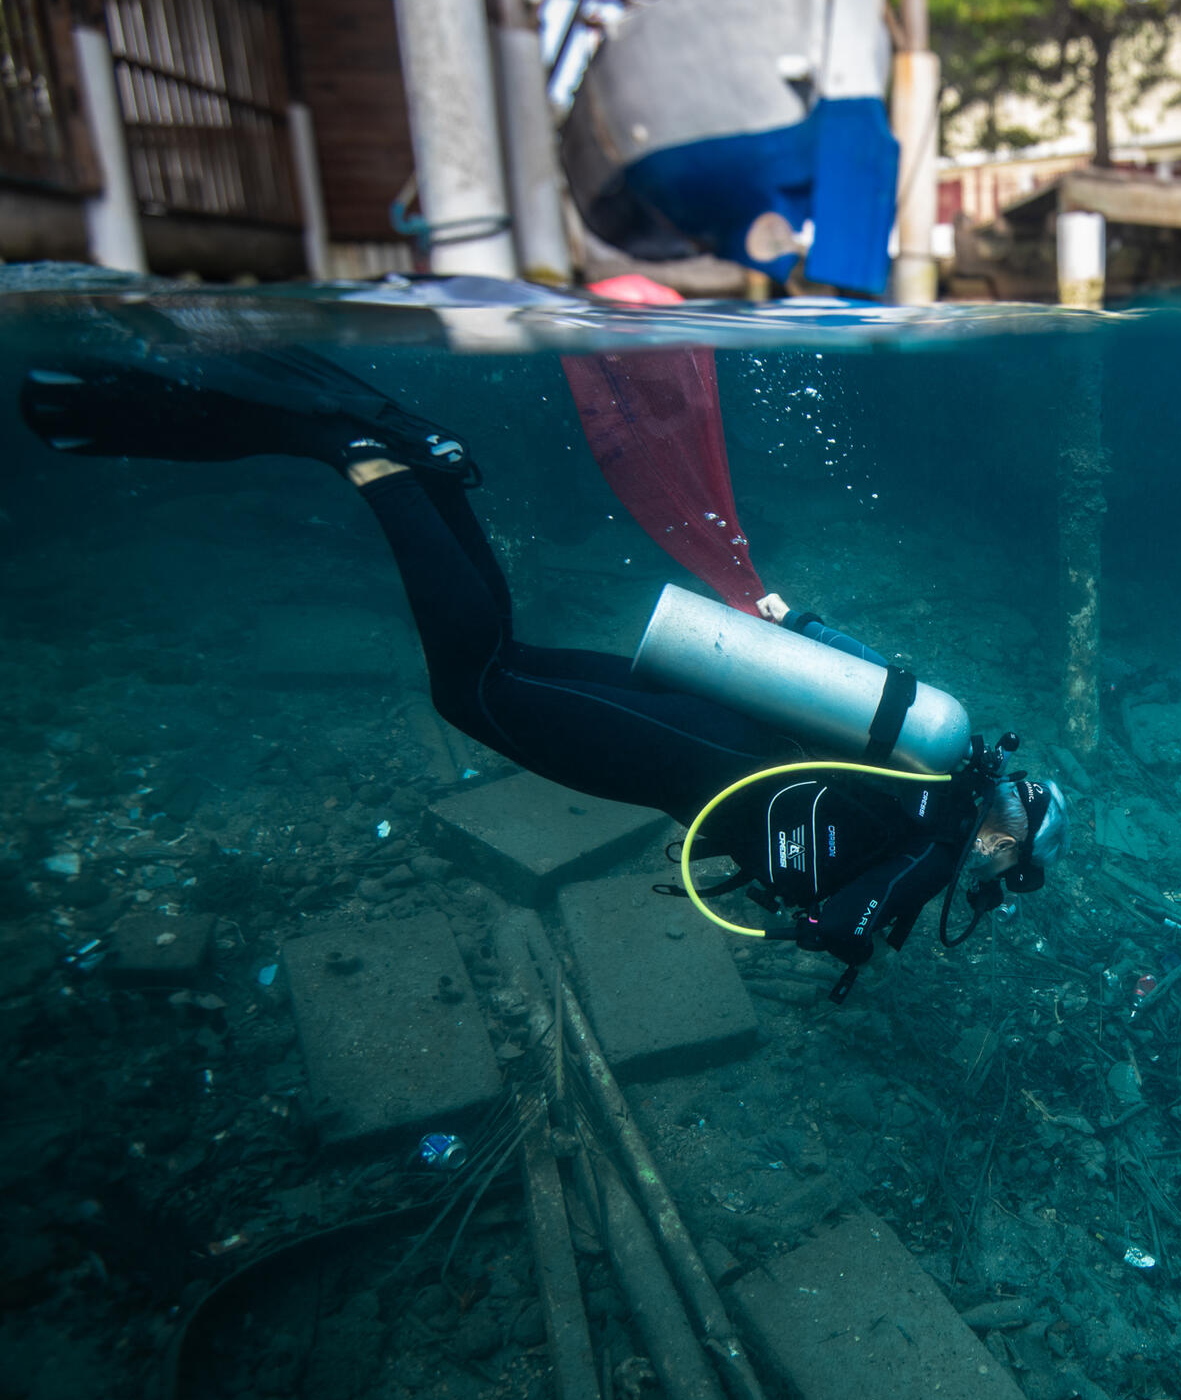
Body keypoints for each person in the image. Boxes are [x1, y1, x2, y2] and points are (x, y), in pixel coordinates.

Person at [20, 351, 1070, 988]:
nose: (990, 881)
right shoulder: (937, 840)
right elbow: (836, 921)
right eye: (1008, 870)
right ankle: (372, 460)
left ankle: (429, 476)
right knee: (474, 689)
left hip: (704, 722)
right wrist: (846, 940)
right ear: (1005, 839)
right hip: (689, 758)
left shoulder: (939, 765)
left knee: (502, 663)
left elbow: (843, 662)